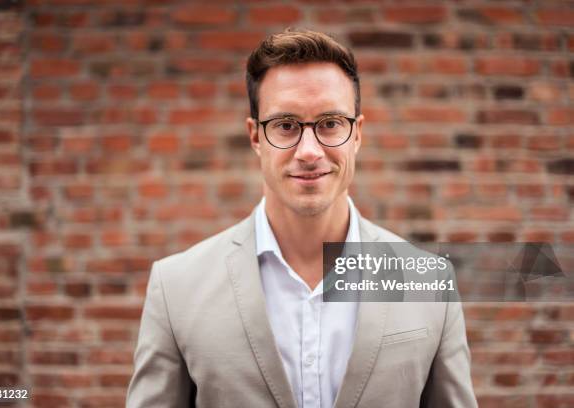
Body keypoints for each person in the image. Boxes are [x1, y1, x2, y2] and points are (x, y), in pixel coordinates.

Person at [127, 29, 477, 408]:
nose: (309, 151)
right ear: (255, 137)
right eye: (286, 125)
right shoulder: (176, 287)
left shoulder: (429, 282)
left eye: (329, 123)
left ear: (356, 134)